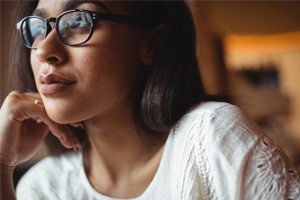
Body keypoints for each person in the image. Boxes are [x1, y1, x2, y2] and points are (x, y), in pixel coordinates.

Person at [1, 0, 299, 199]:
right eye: (38, 28)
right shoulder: (44, 188)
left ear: (150, 44)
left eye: (79, 21)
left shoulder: (209, 139)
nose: (44, 50)